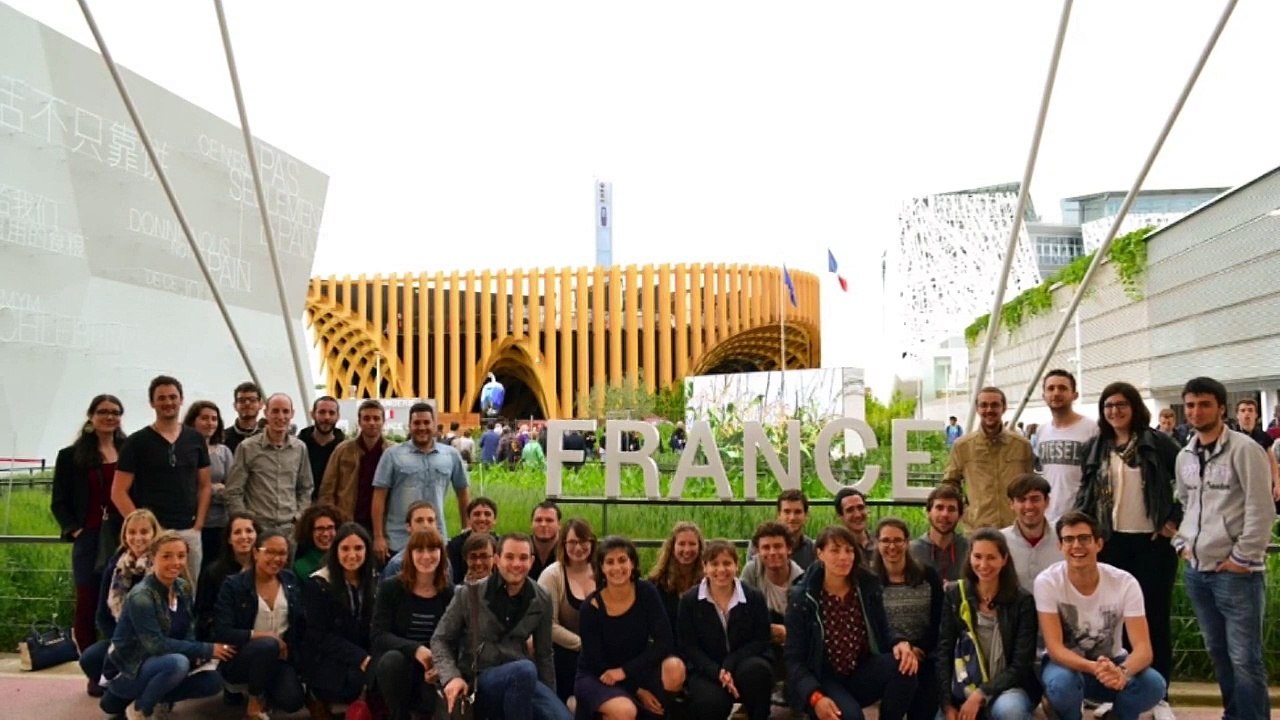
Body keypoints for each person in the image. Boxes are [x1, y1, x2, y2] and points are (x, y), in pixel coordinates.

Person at [1074, 381, 1181, 719]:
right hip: (1111, 544)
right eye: (1108, 406)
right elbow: (1086, 493)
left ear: (1134, 407)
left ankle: (1159, 695)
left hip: (1152, 545)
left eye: (1121, 404)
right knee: (1114, 624)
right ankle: (1117, 692)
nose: (1114, 411)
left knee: (1153, 619)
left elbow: (1189, 485)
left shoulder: (1159, 443)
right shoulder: (1096, 446)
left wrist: (1172, 521)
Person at [1173, 377, 1274, 719]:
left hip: (1237, 573)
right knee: (1218, 652)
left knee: (1245, 658)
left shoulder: (1245, 450)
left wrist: (1242, 558)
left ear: (1221, 408)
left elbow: (1262, 508)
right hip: (1198, 572)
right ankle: (1235, 714)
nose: (1196, 411)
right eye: (1190, 405)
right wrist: (1182, 543)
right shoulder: (1185, 454)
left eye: (1204, 404)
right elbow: (1187, 502)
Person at [1036, 511, 1166, 720]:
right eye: (1068, 539)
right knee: (1061, 685)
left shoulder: (1125, 583)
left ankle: (1118, 716)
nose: (1076, 545)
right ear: (1060, 546)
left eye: (1084, 539)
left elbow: (1144, 650)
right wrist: (1094, 668)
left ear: (1098, 544)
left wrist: (1121, 672)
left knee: (1153, 685)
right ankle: (1068, 715)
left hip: (1114, 662)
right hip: (1067, 666)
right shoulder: (1048, 582)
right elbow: (1055, 648)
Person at [784, 525, 918, 720]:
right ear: (820, 553)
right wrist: (815, 696)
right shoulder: (802, 597)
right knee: (851, 717)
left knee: (906, 664)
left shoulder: (866, 585)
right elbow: (794, 659)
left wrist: (900, 642)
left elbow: (883, 629)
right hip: (822, 678)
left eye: (849, 550)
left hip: (860, 669)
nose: (843, 557)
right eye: (835, 550)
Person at [433, 533, 571, 720]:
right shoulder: (469, 593)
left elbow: (544, 653)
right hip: (480, 678)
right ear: (497, 559)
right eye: (509, 557)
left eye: (523, 558)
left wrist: (549, 696)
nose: (516, 564)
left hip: (524, 680)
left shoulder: (542, 598)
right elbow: (440, 638)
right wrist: (451, 676)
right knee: (525, 669)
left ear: (531, 561)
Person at [101, 530, 231, 719]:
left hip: (163, 661)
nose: (175, 562)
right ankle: (141, 709)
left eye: (181, 556)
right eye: (167, 556)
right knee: (177, 663)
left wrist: (198, 655)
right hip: (129, 668)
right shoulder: (141, 596)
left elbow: (188, 628)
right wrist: (204, 649)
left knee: (213, 681)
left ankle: (157, 699)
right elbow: (155, 645)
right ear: (153, 558)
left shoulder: (182, 587)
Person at [111, 375, 212, 588]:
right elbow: (118, 492)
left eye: (173, 397)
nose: (168, 402)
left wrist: (199, 525)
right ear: (152, 403)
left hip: (188, 530)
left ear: (181, 400)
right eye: (162, 398)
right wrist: (141, 528)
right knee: (151, 591)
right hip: (154, 534)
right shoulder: (136, 442)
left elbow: (204, 485)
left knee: (188, 592)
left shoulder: (195, 439)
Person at [935, 528, 1040, 720]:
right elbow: (944, 651)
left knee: (1011, 712)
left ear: (1004, 559)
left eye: (991, 557)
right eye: (978, 556)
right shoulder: (955, 594)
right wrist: (947, 704)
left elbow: (1021, 664)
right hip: (963, 687)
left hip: (1009, 689)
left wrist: (981, 693)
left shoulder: (1022, 601)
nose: (983, 565)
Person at [577, 536, 685, 720]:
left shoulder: (647, 592)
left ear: (632, 563)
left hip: (635, 668)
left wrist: (626, 672)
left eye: (622, 560)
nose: (617, 568)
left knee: (675, 668)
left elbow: (664, 642)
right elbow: (595, 661)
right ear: (601, 568)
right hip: (600, 675)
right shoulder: (591, 607)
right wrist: (637, 690)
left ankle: (659, 713)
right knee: (625, 711)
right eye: (609, 562)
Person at [52, 393, 126, 662]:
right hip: (89, 537)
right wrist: (75, 530)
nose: (110, 417)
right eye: (103, 411)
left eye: (115, 412)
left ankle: (118, 664)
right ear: (91, 417)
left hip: (123, 537)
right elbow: (58, 501)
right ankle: (92, 666)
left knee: (120, 602)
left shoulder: (129, 450)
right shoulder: (70, 457)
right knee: (87, 603)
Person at [213, 529, 307, 718]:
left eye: (282, 553)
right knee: (267, 644)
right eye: (270, 552)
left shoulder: (289, 580)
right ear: (256, 553)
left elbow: (299, 624)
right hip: (242, 656)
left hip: (279, 657)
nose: (276, 558)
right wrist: (265, 636)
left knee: (293, 701)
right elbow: (222, 631)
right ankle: (254, 699)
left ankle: (265, 688)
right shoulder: (233, 585)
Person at [677, 540, 773, 720]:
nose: (721, 570)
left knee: (758, 673)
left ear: (737, 566)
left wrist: (730, 663)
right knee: (710, 702)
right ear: (705, 567)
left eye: (727, 563)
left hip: (744, 661)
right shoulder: (689, 601)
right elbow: (688, 646)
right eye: (714, 564)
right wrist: (717, 672)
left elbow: (761, 640)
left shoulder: (753, 597)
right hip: (706, 668)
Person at [370, 527, 454, 720]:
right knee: (392, 661)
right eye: (419, 550)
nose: (426, 556)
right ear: (410, 555)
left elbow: (454, 637)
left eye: (432, 549)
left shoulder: (449, 593)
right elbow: (379, 635)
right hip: (399, 665)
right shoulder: (391, 587)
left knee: (429, 704)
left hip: (433, 666)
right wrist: (416, 649)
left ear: (441, 554)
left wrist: (439, 665)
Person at [371, 402, 471, 563]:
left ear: (434, 425)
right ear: (409, 426)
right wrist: (378, 537)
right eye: (416, 423)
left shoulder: (450, 455)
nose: (422, 427)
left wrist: (467, 530)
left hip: (436, 538)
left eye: (426, 422)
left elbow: (463, 492)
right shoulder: (392, 455)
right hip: (398, 540)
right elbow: (379, 497)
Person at [77, 509, 159, 698]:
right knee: (90, 658)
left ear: (155, 533)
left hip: (157, 640)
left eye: (144, 532)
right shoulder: (115, 566)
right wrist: (122, 641)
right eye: (132, 532)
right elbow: (102, 616)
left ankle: (152, 695)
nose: (138, 538)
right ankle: (121, 692)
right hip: (122, 637)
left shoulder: (164, 563)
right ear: (124, 535)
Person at [300, 522, 377, 717]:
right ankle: (318, 698)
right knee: (354, 681)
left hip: (362, 652)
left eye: (358, 548)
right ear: (335, 551)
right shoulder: (318, 584)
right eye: (345, 548)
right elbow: (319, 635)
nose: (352, 555)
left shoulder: (374, 580)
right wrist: (360, 657)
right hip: (327, 655)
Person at [872, 518, 942, 720]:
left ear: (907, 542)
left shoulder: (928, 575)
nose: (891, 546)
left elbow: (939, 619)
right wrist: (899, 649)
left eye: (897, 540)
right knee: (902, 675)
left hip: (924, 654)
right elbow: (875, 625)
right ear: (877, 543)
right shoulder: (869, 580)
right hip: (887, 655)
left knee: (926, 699)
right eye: (885, 541)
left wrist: (919, 649)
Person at [942, 387, 1035, 530]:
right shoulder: (963, 446)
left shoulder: (1022, 446)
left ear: (1004, 408)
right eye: (984, 405)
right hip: (978, 528)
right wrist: (964, 512)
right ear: (977, 409)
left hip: (1016, 528)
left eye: (995, 405)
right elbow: (950, 482)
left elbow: (1031, 485)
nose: (989, 410)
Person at [225, 393, 314, 539]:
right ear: (266, 413)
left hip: (289, 529)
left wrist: (299, 517)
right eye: (275, 411)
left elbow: (306, 488)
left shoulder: (299, 448)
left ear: (292, 414)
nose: (281, 416)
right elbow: (234, 490)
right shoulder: (247, 448)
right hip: (258, 528)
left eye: (285, 411)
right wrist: (245, 522)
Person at [537, 518, 598, 703]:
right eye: (572, 542)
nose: (578, 548)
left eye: (583, 541)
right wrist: (583, 644)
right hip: (564, 653)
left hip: (601, 651)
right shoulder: (552, 575)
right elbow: (548, 625)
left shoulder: (603, 571)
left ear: (592, 543)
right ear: (563, 544)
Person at [319, 399, 389, 535]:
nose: (372, 423)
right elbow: (327, 490)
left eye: (376, 418)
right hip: (348, 521)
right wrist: (333, 521)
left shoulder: (391, 452)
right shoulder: (343, 450)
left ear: (383, 421)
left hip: (382, 525)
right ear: (360, 421)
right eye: (367, 418)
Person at [1035, 369, 1098, 522]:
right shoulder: (1041, 431)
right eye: (1051, 388)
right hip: (1047, 518)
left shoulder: (1092, 429)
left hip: (1081, 517)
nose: (1056, 393)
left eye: (1062, 388)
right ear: (1044, 396)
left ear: (1074, 395)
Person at [182, 400, 233, 573]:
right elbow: (186, 485)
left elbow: (231, 487)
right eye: (204, 418)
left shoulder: (223, 452)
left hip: (219, 522)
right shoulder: (183, 449)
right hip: (191, 522)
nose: (210, 423)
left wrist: (214, 490)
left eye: (214, 419)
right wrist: (213, 488)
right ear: (193, 421)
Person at [195, 512, 260, 642]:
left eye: (249, 531)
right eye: (237, 532)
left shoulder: (267, 569)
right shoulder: (213, 572)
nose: (244, 536)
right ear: (229, 539)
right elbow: (203, 613)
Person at [1000, 473, 1059, 593]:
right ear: (1011, 504)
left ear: (1047, 501)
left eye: (1035, 499)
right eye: (1021, 500)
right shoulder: (1000, 541)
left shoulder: (1064, 538)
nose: (1029, 506)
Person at [647, 521, 704, 628]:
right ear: (672, 547)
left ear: (699, 547)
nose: (687, 550)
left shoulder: (708, 582)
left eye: (692, 544)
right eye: (681, 544)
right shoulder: (656, 583)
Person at [909, 485, 969, 584]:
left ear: (960, 516)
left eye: (951, 509)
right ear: (928, 512)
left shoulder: (970, 550)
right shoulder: (912, 551)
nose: (945, 514)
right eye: (939, 508)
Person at [298, 395, 346, 503]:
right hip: (303, 509)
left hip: (333, 510)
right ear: (313, 414)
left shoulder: (344, 450)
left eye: (331, 413)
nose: (327, 417)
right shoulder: (298, 446)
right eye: (322, 412)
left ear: (338, 416)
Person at [446, 497, 499, 585]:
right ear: (469, 519)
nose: (482, 519)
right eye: (477, 514)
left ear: (494, 520)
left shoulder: (502, 545)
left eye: (487, 514)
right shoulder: (454, 545)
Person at [381, 500, 439, 579]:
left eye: (430, 520)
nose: (426, 525)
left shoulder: (444, 562)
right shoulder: (398, 565)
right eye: (419, 521)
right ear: (408, 527)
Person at [293, 504, 345, 579]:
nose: (325, 534)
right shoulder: (300, 567)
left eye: (330, 528)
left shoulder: (346, 559)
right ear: (309, 532)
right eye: (320, 529)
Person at [773, 489, 816, 569]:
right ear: (778, 515)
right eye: (787, 512)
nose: (792, 518)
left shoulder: (813, 550)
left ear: (806, 516)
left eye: (798, 512)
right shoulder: (760, 546)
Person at [834, 487, 876, 565]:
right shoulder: (836, 549)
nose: (857, 515)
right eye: (850, 510)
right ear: (840, 517)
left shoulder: (880, 543)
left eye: (861, 508)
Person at [224, 381, 265, 453]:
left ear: (260, 404)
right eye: (242, 400)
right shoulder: (223, 438)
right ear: (235, 406)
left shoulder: (268, 437)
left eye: (252, 400)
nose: (247, 403)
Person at [530, 500, 562, 580]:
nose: (543, 524)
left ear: (559, 525)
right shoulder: (522, 549)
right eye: (538, 520)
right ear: (531, 524)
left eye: (549, 520)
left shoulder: (568, 551)